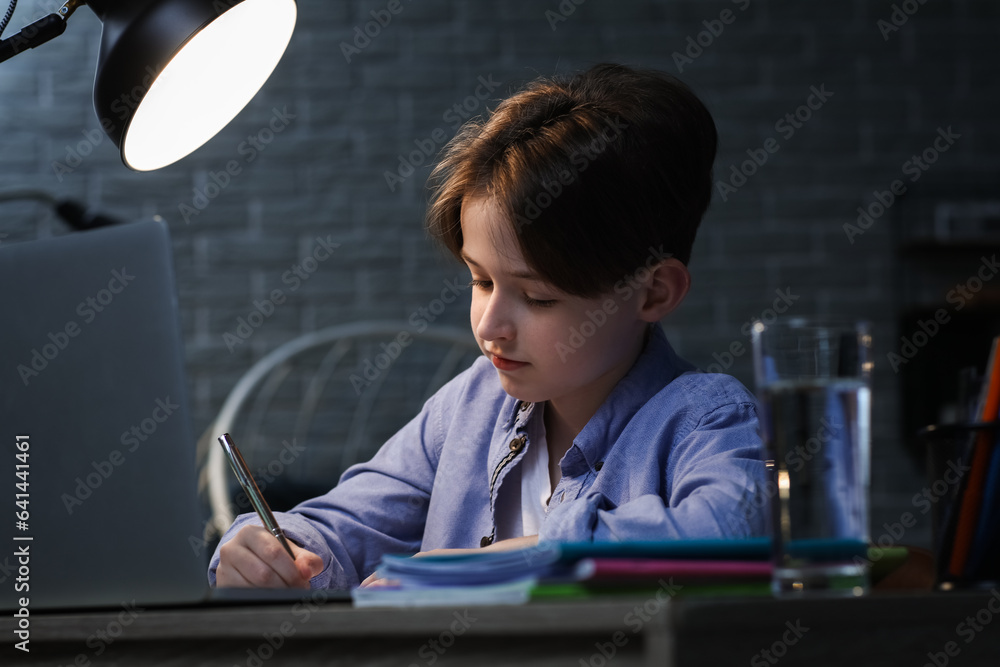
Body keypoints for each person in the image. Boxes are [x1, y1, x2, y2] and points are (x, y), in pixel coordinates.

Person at [209, 63, 768, 590]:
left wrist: (503, 560)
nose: (491, 326)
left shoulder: (703, 417)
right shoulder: (469, 409)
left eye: (537, 297)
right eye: (480, 282)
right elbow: (340, 530)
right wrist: (264, 550)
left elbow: (734, 532)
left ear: (654, 291)